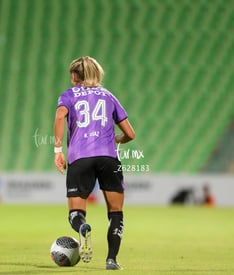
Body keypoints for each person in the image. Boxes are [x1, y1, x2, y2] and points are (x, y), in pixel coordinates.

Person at [54, 56, 135, 270]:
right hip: (109, 158)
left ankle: (83, 227)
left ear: (74, 75)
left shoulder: (68, 96)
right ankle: (111, 260)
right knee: (116, 212)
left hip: (80, 158)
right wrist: (116, 139)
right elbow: (130, 134)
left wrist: (57, 150)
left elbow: (60, 116)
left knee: (75, 213)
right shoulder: (108, 96)